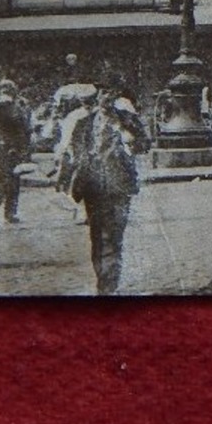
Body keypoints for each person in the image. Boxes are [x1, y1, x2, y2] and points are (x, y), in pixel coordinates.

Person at [67, 81, 147, 295]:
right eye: (103, 92)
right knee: (97, 236)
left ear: (116, 95)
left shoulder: (127, 119)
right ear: (97, 95)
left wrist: (127, 136)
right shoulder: (83, 124)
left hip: (119, 186)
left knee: (114, 235)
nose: (107, 96)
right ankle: (102, 279)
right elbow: (77, 152)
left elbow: (143, 144)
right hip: (93, 187)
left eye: (111, 92)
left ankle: (109, 285)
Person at [0, 80, 31, 223]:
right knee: (8, 181)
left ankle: (3, 211)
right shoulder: (13, 108)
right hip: (10, 148)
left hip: (4, 148)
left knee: (8, 180)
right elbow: (23, 129)